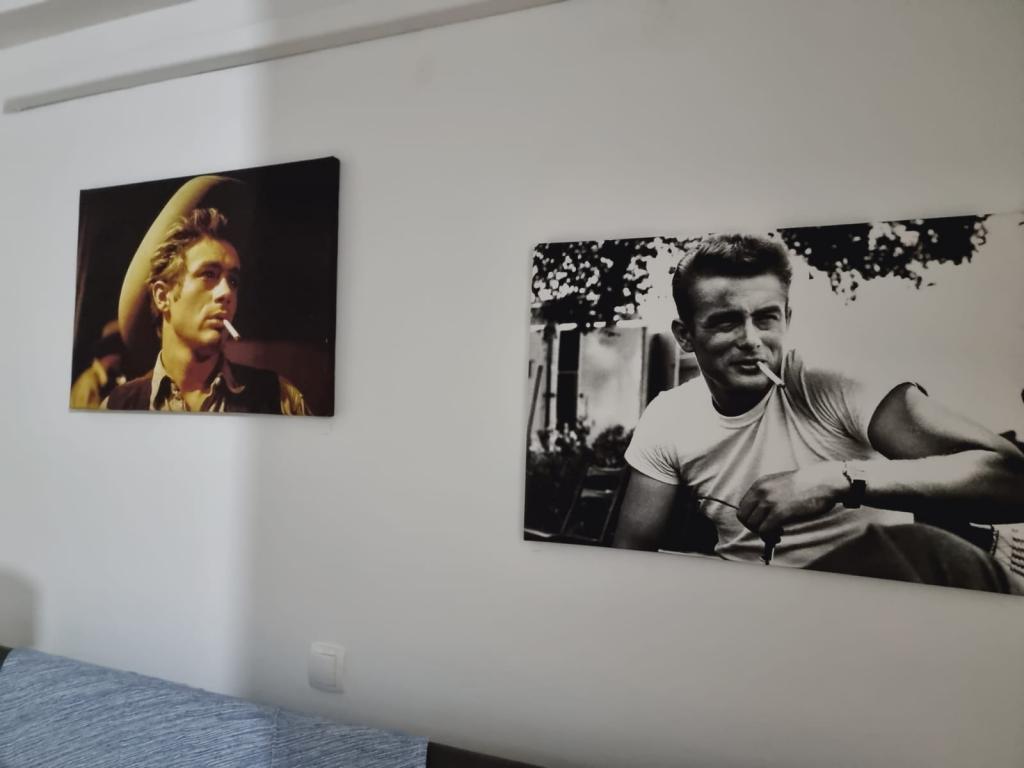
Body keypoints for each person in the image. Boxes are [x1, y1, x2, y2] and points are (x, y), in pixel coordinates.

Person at [613, 234, 1024, 588]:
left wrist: (836, 479)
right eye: (726, 322)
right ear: (685, 336)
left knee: (921, 548)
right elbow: (631, 555)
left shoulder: (835, 385)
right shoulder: (668, 417)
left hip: (873, 600)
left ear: (787, 319)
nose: (751, 339)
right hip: (751, 612)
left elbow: (1012, 478)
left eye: (767, 318)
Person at [103, 176, 309, 415]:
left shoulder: (280, 400)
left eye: (233, 281)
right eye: (209, 274)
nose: (226, 292)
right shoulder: (117, 406)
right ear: (162, 296)